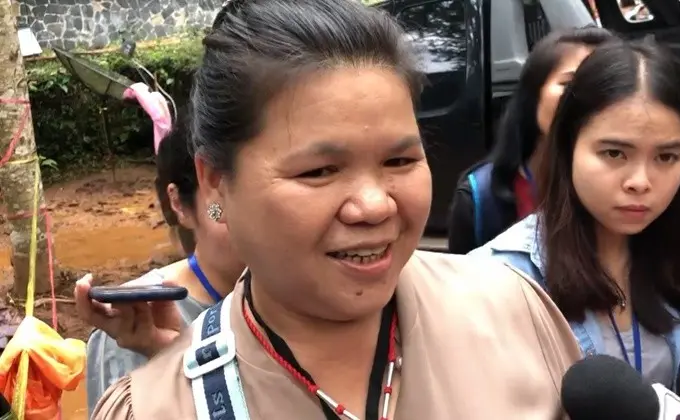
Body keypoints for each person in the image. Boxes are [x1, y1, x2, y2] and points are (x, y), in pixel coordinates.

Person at [91, 0, 582, 418]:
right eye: (319, 171)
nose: (374, 206)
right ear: (215, 182)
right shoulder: (163, 406)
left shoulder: (513, 313)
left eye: (399, 160)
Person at [469, 39, 680, 389]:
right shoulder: (501, 280)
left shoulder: (679, 258)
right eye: (614, 153)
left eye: (666, 157)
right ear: (568, 146)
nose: (640, 182)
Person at [75, 111, 247, 415]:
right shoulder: (130, 328)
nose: (256, 220)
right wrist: (170, 365)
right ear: (179, 202)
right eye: (223, 199)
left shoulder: (302, 305)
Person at [447, 27, 615, 254]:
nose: (589, 100)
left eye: (606, 87)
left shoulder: (640, 192)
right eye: (570, 84)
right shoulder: (481, 198)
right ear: (533, 95)